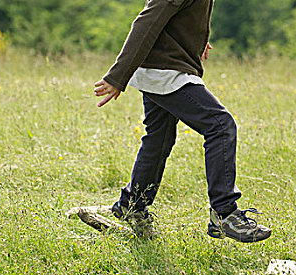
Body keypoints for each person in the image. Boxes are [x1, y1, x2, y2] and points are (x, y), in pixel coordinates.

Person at [94, 0, 271, 243]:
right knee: (220, 125)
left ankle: (132, 206)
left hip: (162, 67)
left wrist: (196, 39)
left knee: (160, 138)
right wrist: (118, 76)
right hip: (165, 71)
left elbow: (180, 15)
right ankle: (224, 214)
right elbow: (146, 23)